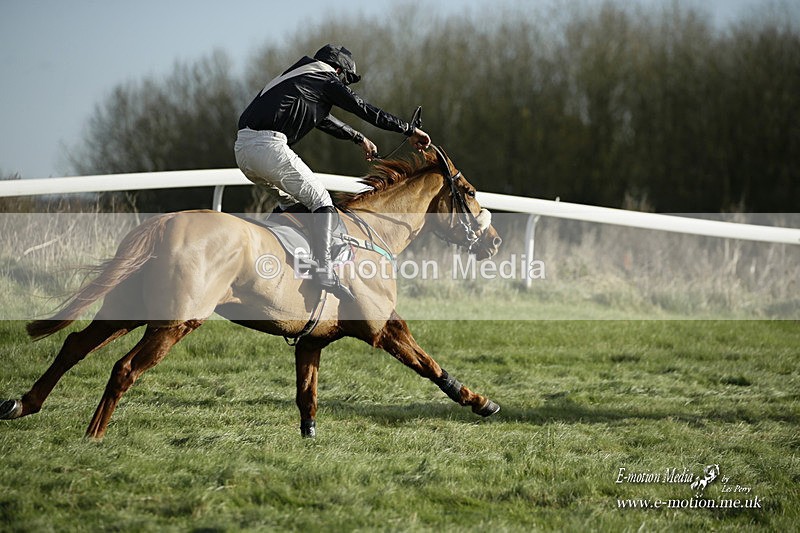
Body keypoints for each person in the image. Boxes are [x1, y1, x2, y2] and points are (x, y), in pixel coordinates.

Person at [235, 44, 431, 301]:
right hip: (268, 146)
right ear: (338, 69)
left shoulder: (301, 75)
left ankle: (274, 262)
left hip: (244, 150)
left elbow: (322, 119)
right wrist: (408, 129)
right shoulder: (324, 77)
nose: (344, 85)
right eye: (345, 80)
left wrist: (358, 137)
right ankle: (325, 271)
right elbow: (362, 107)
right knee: (322, 201)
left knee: (293, 205)